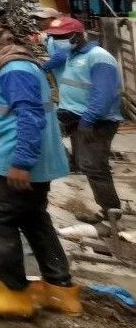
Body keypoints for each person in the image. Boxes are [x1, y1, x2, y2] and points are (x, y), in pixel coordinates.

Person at [0, 4, 80, 319]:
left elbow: (30, 116)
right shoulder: (12, 61)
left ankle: (13, 294)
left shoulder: (14, 67)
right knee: (35, 220)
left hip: (15, 160)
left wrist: (21, 162)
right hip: (22, 159)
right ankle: (60, 289)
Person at [47, 16, 124, 222]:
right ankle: (109, 208)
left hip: (97, 120)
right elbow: (52, 65)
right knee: (84, 161)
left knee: (94, 165)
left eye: (62, 36)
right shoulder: (70, 54)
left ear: (78, 35)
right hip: (74, 115)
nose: (58, 40)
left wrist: (88, 120)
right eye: (54, 37)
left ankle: (110, 211)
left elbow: (104, 93)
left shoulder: (99, 57)